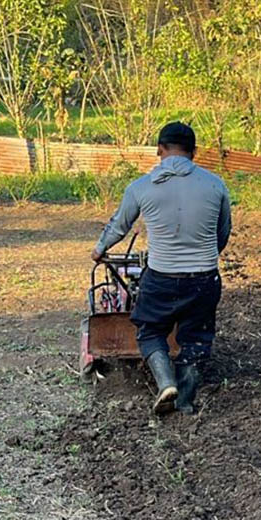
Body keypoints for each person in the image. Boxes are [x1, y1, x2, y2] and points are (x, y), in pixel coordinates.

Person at [91, 121, 231, 415]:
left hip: (161, 277)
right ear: (194, 152)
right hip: (204, 278)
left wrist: (100, 249)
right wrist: (203, 258)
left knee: (150, 330)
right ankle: (186, 403)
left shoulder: (141, 187)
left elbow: (119, 226)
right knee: (196, 338)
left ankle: (166, 383)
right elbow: (222, 232)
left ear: (159, 149)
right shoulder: (216, 185)